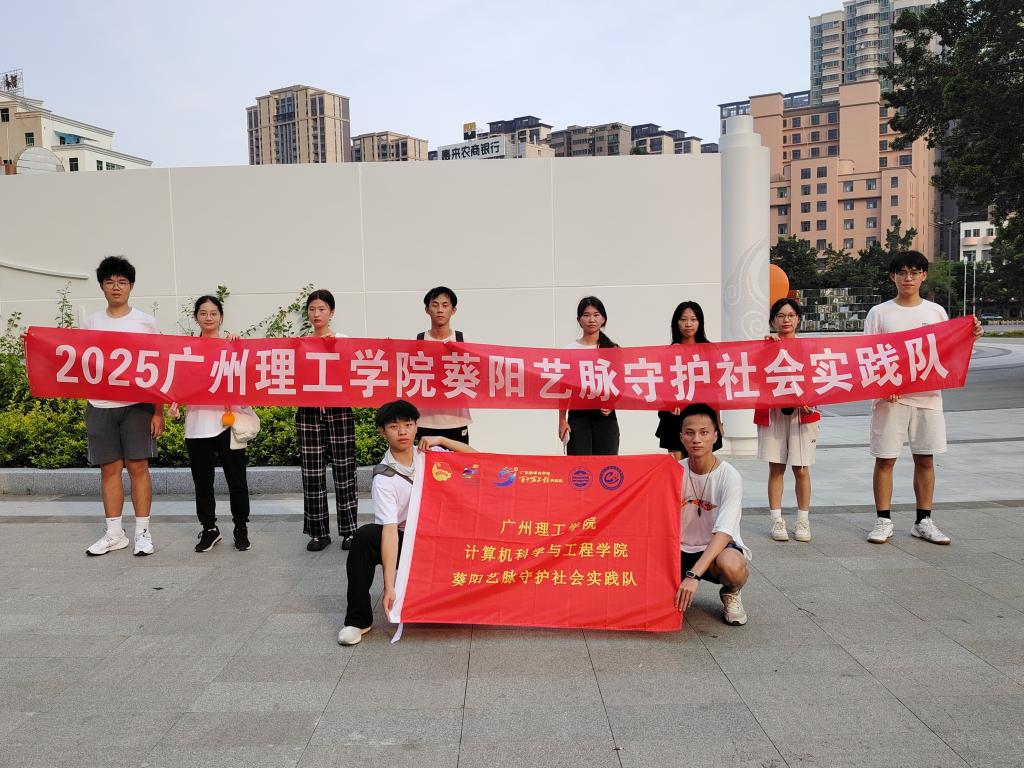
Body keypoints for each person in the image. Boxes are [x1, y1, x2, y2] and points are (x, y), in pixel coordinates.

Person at [864, 251, 982, 546]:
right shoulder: (879, 313)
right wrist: (882, 386)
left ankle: (923, 520)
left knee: (925, 459)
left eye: (914, 272)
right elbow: (868, 355)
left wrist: (969, 335)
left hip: (927, 398)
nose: (908, 278)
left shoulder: (935, 312)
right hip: (890, 400)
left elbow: (947, 349)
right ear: (892, 276)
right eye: (902, 272)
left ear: (923, 276)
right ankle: (883, 520)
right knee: (885, 459)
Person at [337, 400, 474, 646]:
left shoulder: (432, 455)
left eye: (408, 425)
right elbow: (389, 532)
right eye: (394, 427)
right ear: (382, 432)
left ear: (416, 427)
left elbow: (477, 459)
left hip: (442, 537)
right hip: (408, 541)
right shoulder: (384, 477)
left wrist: (442, 439)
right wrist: (390, 587)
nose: (402, 432)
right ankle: (357, 620)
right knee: (365, 537)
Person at [82, 256, 164, 557]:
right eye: (110, 282)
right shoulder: (91, 322)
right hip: (100, 403)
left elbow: (159, 365)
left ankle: (142, 532)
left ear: (131, 287)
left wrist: (158, 411)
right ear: (102, 287)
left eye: (122, 282)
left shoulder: (145, 321)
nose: (116, 287)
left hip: (137, 404)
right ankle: (114, 533)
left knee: (138, 466)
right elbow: (76, 359)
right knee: (109, 468)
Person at [168, 296, 255, 553]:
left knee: (237, 481)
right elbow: (177, 384)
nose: (208, 317)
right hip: (197, 425)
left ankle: (241, 528)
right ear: (196, 317)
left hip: (229, 423)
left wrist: (239, 347)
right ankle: (209, 529)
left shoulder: (232, 346)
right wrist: (174, 405)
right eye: (203, 313)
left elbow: (247, 376)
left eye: (213, 313)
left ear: (221, 317)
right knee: (202, 482)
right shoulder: (187, 350)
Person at [674, 403, 750, 626]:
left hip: (715, 552)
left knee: (732, 565)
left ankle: (731, 592)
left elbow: (724, 532)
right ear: (681, 437)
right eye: (690, 433)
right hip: (678, 550)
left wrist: (693, 575)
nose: (696, 439)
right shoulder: (673, 472)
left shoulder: (730, 477)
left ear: (715, 435)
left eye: (704, 432)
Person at [297, 289, 358, 552]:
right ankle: (318, 532)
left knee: (345, 471)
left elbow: (354, 371)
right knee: (312, 473)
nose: (316, 314)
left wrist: (337, 349)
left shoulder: (343, 340)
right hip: (308, 411)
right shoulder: (301, 343)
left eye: (322, 309)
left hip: (339, 409)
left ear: (331, 312)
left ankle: (350, 530)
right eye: (312, 309)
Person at [756, 298, 820, 543]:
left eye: (791, 315)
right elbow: (754, 374)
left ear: (798, 319)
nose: (786, 320)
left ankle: (803, 520)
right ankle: (777, 520)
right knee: (776, 468)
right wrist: (765, 348)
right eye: (781, 316)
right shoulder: (765, 347)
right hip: (773, 413)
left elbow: (820, 378)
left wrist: (811, 401)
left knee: (801, 469)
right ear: (773, 321)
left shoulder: (808, 347)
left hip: (803, 414)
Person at [655, 301, 723, 459]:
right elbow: (662, 385)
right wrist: (669, 405)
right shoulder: (669, 352)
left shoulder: (710, 351)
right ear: (676, 322)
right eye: (683, 319)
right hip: (675, 415)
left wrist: (718, 421)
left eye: (693, 319)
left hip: (703, 414)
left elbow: (715, 388)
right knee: (677, 466)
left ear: (700, 322)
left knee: (700, 463)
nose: (688, 324)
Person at [557, 296, 619, 456]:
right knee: (579, 467)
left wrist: (612, 404)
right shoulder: (570, 349)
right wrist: (562, 419)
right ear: (579, 320)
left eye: (596, 315)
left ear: (603, 319)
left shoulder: (612, 349)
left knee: (607, 466)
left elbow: (620, 384)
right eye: (586, 315)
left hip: (605, 417)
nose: (591, 319)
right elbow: (563, 388)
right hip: (578, 415)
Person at [414, 286, 471, 445]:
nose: (440, 310)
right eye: (435, 305)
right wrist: (389, 350)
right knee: (426, 461)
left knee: (460, 460)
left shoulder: (463, 340)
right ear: (427, 309)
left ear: (453, 310)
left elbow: (478, 373)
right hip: (426, 420)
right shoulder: (418, 341)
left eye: (445, 305)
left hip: (457, 419)